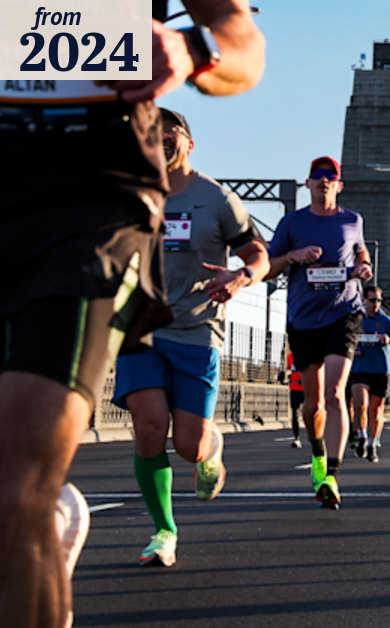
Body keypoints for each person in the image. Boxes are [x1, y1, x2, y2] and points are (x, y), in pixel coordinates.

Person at [0, 2, 264, 623]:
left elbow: (243, 43)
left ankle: (70, 513)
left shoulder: (211, 196)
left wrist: (195, 51)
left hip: (90, 215)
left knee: (16, 490)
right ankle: (47, 511)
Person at [113, 108, 268, 566]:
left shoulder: (216, 198)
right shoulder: (130, 192)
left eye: (171, 130)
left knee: (188, 445)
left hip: (197, 331)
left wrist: (241, 278)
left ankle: (211, 450)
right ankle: (164, 530)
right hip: (139, 328)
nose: (160, 136)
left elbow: (257, 252)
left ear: (190, 143)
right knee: (147, 427)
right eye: (151, 131)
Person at [266, 156, 372, 509]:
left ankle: (333, 474)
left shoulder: (352, 219)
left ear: (338, 185)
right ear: (307, 184)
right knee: (312, 405)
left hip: (344, 313)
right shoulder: (291, 222)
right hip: (303, 319)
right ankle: (317, 454)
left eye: (331, 177)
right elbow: (267, 268)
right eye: (317, 176)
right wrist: (293, 256)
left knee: (335, 392)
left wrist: (364, 266)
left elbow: (361, 249)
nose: (324, 181)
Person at [348, 286, 390, 462]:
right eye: (373, 300)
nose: (376, 304)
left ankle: (372, 444)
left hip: (380, 369)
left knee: (376, 410)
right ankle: (361, 435)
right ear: (364, 299)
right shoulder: (356, 318)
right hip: (359, 368)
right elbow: (342, 336)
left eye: (379, 301)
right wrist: (353, 348)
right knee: (361, 405)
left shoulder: (386, 321)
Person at [287, 352, 305, 448]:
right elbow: (290, 369)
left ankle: (315, 436)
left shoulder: (308, 354)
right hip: (294, 387)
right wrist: (284, 373)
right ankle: (296, 437)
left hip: (307, 388)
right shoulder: (290, 356)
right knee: (295, 413)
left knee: (309, 413)